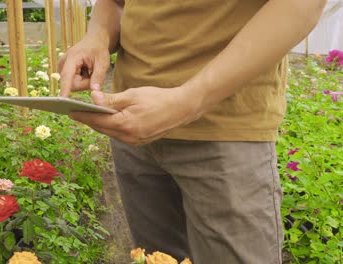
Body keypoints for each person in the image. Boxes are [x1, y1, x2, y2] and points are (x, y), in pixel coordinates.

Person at [58, 0, 326, 263]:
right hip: (132, 125)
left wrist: (188, 101)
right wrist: (97, 37)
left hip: (224, 131)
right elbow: (116, 4)